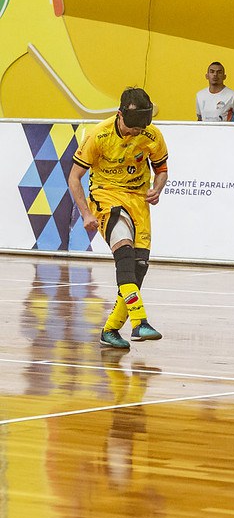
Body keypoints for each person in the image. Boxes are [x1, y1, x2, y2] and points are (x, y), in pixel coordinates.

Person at [68, 87, 169, 349]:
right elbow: (74, 177)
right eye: (131, 126)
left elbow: (162, 169)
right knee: (123, 252)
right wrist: (86, 213)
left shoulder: (152, 135)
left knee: (137, 269)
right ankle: (140, 322)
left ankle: (110, 329)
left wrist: (158, 188)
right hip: (107, 197)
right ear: (119, 114)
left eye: (141, 127)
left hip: (138, 202)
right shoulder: (98, 135)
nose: (135, 131)